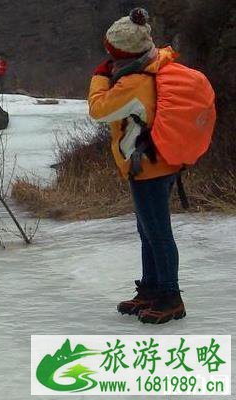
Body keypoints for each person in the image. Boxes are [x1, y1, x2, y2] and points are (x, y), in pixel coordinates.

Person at [88, 9, 185, 324]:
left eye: (111, 52)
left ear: (123, 53)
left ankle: (170, 296)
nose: (108, 56)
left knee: (157, 233)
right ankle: (152, 289)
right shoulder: (154, 65)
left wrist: (100, 76)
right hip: (159, 162)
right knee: (148, 231)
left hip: (149, 167)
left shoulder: (134, 82)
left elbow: (98, 110)